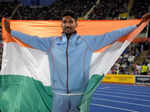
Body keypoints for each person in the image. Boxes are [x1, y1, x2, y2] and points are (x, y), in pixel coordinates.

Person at [4, 11, 150, 112]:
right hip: (58, 94)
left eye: (70, 22)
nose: (67, 24)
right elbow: (32, 40)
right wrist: (12, 33)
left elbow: (110, 36)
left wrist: (136, 26)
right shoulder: (52, 42)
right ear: (62, 25)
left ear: (76, 24)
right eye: (65, 22)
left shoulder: (87, 41)